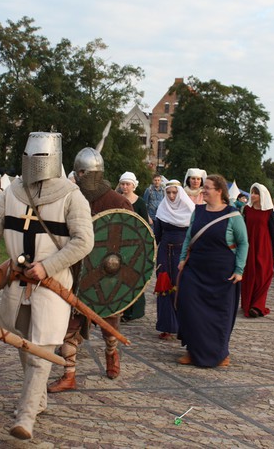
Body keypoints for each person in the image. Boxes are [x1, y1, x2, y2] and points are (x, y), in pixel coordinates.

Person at [0, 132, 93, 439]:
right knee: (23, 342)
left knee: (41, 350)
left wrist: (47, 266)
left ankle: (26, 415)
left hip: (51, 285)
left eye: (41, 157)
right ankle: (39, 399)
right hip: (16, 283)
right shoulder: (11, 191)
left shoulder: (71, 195)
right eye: (30, 157)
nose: (34, 163)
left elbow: (84, 241)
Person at [48, 147, 133, 393]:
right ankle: (69, 374)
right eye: (77, 171)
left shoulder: (118, 202)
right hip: (77, 272)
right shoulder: (73, 198)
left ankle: (111, 354)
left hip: (107, 277)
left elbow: (129, 245)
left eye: (83, 172)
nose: (78, 175)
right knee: (70, 326)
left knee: (109, 325)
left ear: (94, 173)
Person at [176, 174, 248, 367]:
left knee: (219, 315)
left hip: (222, 272)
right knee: (191, 309)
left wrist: (239, 269)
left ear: (219, 191)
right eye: (204, 187)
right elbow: (189, 237)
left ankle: (221, 353)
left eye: (207, 187)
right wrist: (183, 259)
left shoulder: (234, 216)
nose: (203, 190)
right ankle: (193, 350)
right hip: (196, 269)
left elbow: (243, 243)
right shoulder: (198, 212)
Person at [153, 180, 194, 339]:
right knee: (164, 285)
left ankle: (184, 325)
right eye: (168, 192)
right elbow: (156, 235)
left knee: (182, 286)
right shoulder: (161, 209)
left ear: (180, 193)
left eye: (174, 192)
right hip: (165, 252)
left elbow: (194, 235)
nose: (171, 195)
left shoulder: (190, 210)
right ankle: (166, 326)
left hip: (183, 253)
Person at [240, 183, 274, 318]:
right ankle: (247, 303)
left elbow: (273, 232)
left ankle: (258, 305)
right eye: (252, 193)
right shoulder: (247, 210)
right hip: (249, 246)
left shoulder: (268, 211)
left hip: (264, 246)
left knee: (263, 275)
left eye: (256, 193)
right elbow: (242, 228)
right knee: (249, 274)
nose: (253, 195)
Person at [119, 171, 149, 322]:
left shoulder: (140, 202)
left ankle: (134, 311)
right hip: (119, 242)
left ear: (133, 185)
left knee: (134, 275)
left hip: (135, 244)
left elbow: (144, 224)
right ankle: (121, 309)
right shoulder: (117, 200)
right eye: (123, 184)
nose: (125, 187)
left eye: (127, 184)